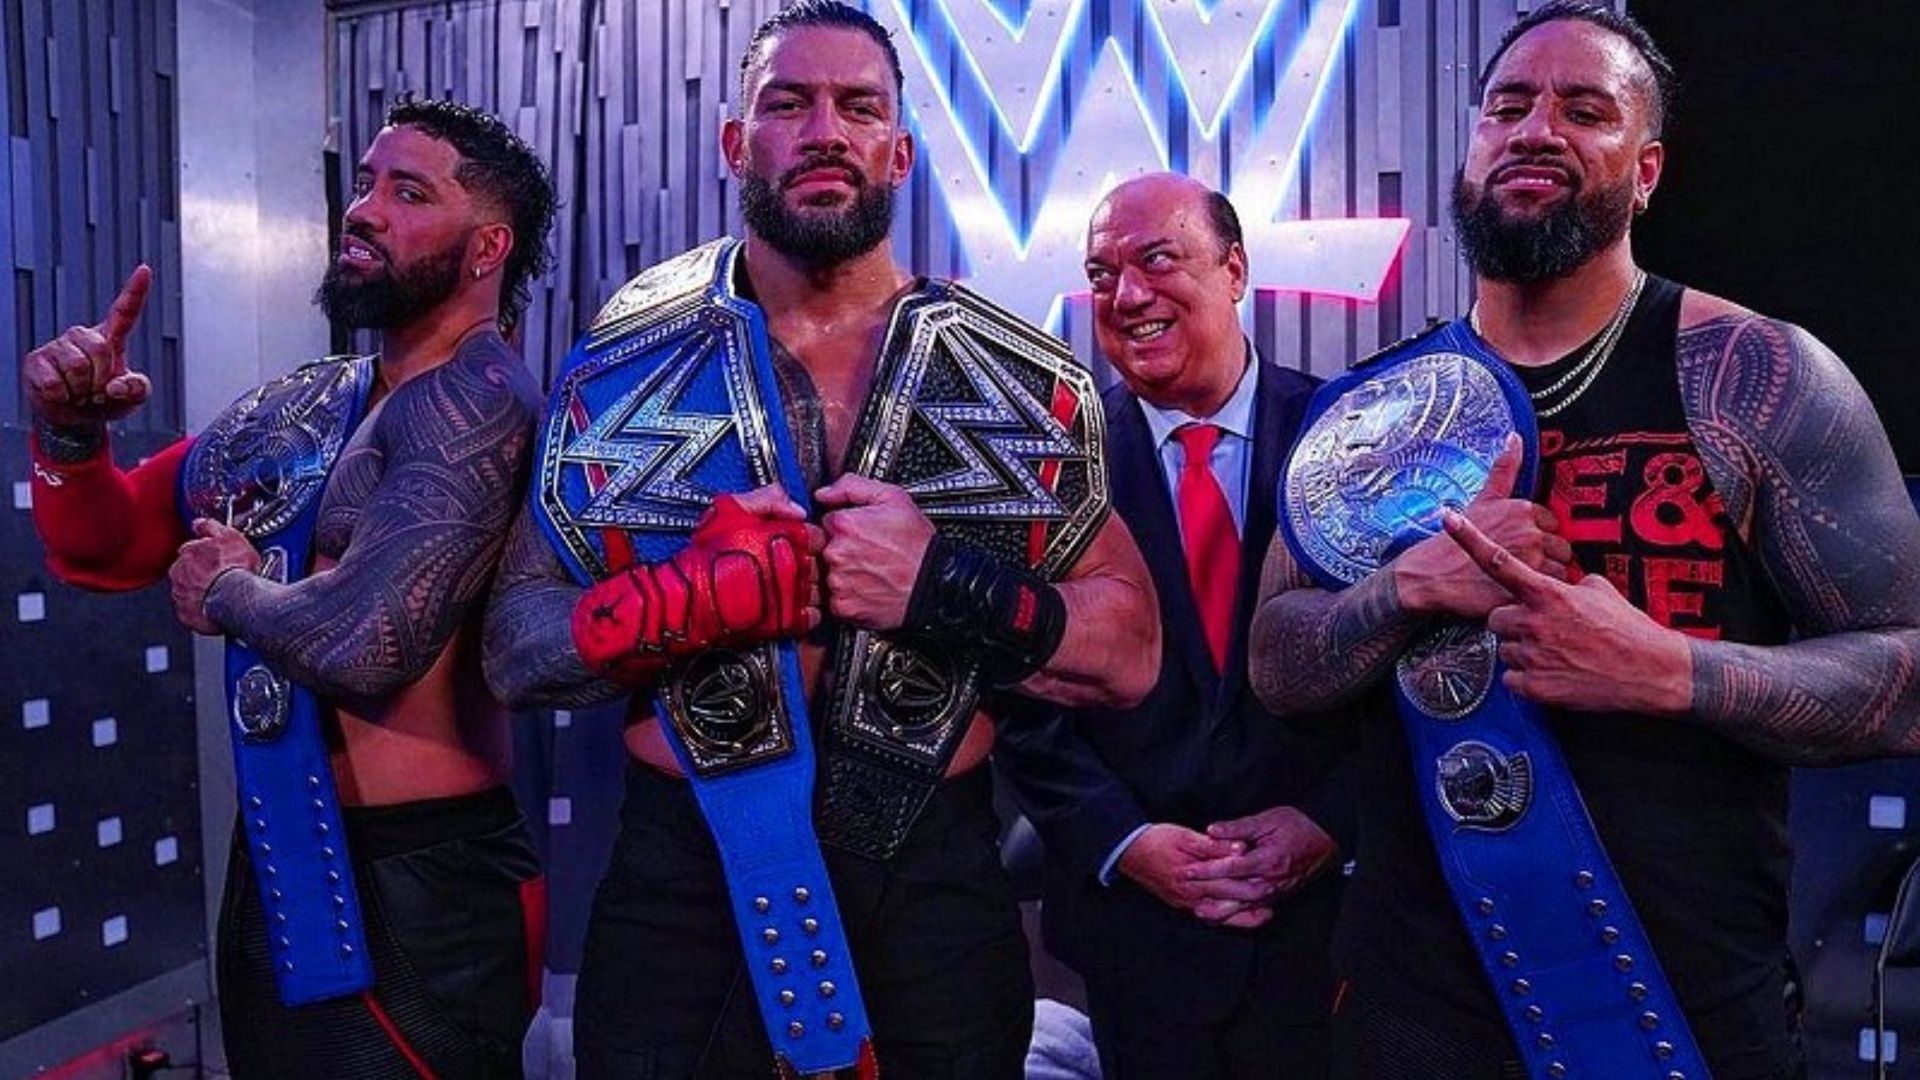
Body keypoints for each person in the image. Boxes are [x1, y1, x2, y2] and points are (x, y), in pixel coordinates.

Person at [481, 2, 1160, 1076]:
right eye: (787, 104)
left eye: (859, 107)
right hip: (684, 880)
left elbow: (1127, 651)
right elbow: (516, 643)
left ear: (899, 148)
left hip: (932, 880)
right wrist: (673, 605)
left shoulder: (1011, 379)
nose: (825, 131)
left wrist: (945, 584)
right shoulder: (622, 372)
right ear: (736, 144)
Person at [1249, 3, 1920, 1078]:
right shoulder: (1369, 412)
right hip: (1415, 1007)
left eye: (1584, 109)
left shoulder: (1757, 378)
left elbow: (1910, 673)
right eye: (1507, 107)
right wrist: (1408, 588)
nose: (1534, 129)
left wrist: (1670, 671)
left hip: (1680, 1000)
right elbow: (1278, 661)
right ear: (1469, 154)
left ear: (1646, 170)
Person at [25, 97, 557, 1078]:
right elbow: (108, 544)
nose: (362, 210)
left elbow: (372, 641)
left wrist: (229, 593)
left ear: (487, 247)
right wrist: (72, 433)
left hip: (421, 887)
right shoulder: (313, 405)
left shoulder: (482, 402)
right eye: (363, 184)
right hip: (279, 850)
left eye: (407, 192)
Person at [994, 173, 1353, 1079]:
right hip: (1136, 942)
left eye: (1158, 259)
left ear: (1234, 269)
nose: (1128, 295)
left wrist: (1328, 823)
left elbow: (1413, 674)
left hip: (1336, 938)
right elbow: (1021, 704)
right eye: (1102, 273)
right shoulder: (1050, 475)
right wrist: (1129, 843)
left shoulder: (1348, 434)